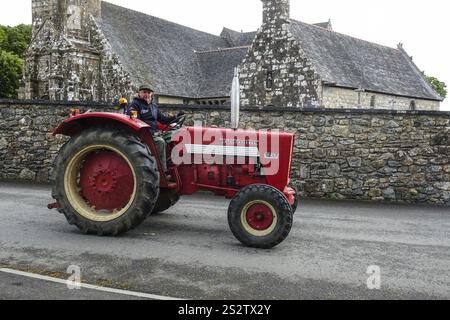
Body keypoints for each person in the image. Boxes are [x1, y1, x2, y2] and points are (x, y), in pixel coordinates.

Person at [126, 85, 178, 176]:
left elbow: (163, 120)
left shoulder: (153, 106)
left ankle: (176, 165)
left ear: (151, 94)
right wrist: (150, 132)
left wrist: (175, 118)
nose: (147, 94)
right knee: (160, 142)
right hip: (145, 135)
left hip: (156, 133)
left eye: (149, 92)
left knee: (176, 135)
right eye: (144, 92)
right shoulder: (135, 104)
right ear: (139, 93)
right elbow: (134, 122)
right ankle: (162, 173)